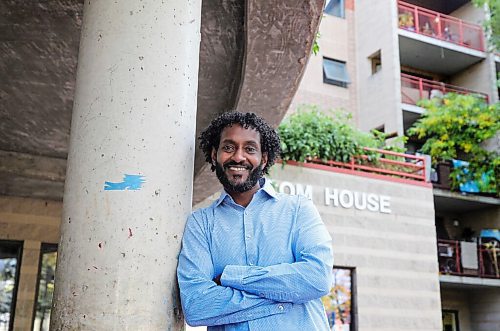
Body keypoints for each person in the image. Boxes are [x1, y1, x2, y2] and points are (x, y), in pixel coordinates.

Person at [177, 111, 333, 330]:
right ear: (214, 155)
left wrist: (231, 277)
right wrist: (285, 298)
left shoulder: (298, 209)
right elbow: (197, 306)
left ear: (265, 158)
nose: (239, 157)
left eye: (250, 149)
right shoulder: (200, 224)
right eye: (228, 147)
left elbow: (318, 278)